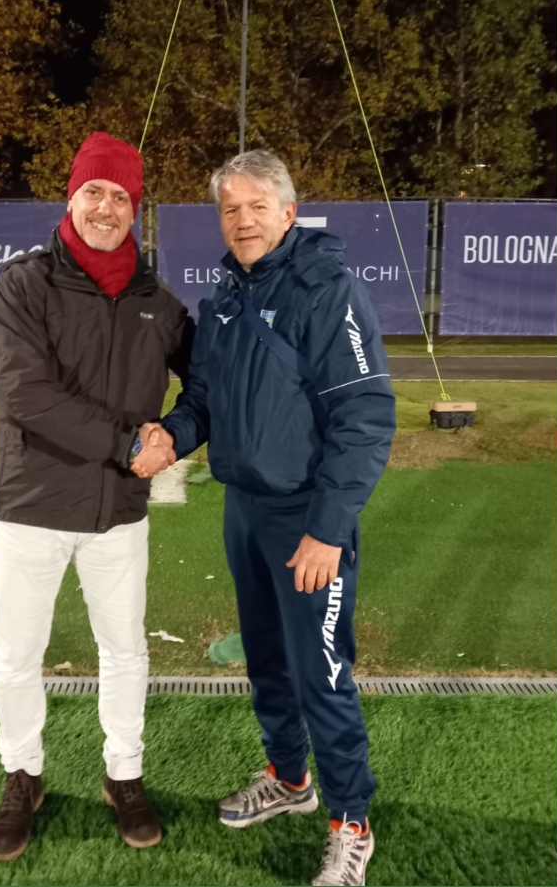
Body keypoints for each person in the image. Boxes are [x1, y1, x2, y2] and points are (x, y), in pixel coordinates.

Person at [132, 150, 396, 886]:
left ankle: (351, 821)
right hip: (244, 510)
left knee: (322, 674)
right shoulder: (223, 297)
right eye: (230, 209)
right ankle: (289, 778)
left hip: (307, 518)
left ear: (287, 212)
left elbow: (366, 416)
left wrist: (327, 528)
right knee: (268, 661)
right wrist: (171, 435)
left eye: (257, 207)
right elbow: (204, 400)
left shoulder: (328, 289)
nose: (243, 221)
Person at [0, 132, 193, 861]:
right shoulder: (24, 284)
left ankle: (123, 774)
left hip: (116, 513)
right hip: (31, 507)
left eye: (121, 196)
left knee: (125, 650)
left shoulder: (158, 302)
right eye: (93, 191)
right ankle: (23, 775)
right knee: (17, 654)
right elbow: (25, 395)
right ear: (71, 197)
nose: (106, 207)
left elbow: (209, 379)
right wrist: (130, 444)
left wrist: (175, 435)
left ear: (136, 209)